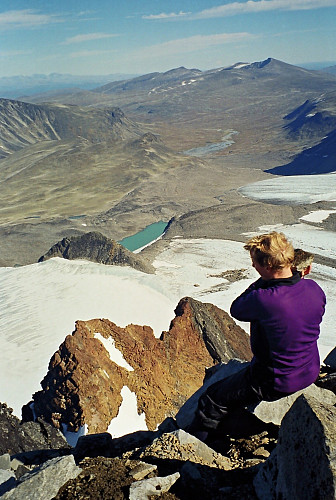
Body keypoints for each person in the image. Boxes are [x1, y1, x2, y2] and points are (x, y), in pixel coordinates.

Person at [188, 232, 326, 438]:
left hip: (275, 379)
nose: (253, 267)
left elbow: (237, 308)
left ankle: (201, 447)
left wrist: (262, 282)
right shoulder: (314, 289)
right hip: (310, 368)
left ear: (268, 266)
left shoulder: (265, 299)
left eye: (255, 263)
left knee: (212, 400)